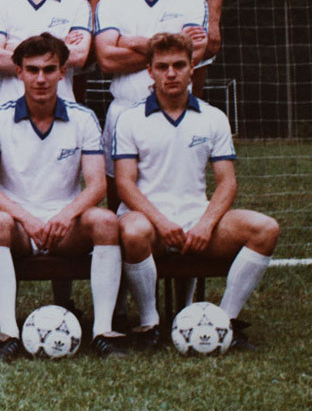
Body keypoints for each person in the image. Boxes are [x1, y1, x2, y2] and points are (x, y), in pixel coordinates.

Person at [114, 32, 279, 349]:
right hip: (150, 223)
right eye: (162, 66)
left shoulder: (213, 117)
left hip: (195, 219)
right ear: (150, 71)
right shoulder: (129, 119)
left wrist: (205, 223)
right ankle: (150, 325)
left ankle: (225, 323)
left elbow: (227, 182)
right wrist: (162, 223)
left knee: (265, 229)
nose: (171, 73)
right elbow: (124, 184)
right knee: (133, 231)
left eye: (179, 65)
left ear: (192, 68)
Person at [0, 33, 126, 359]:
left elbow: (97, 185)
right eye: (32, 70)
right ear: (19, 72)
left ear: (62, 72)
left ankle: (103, 331)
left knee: (105, 220)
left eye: (49, 69)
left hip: (64, 227)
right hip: (18, 225)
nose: (41, 78)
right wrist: (26, 218)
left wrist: (66, 215)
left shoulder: (83, 118)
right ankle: (7, 333)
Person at [95, 0, 208, 204]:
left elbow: (194, 55)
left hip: (175, 114)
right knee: (118, 203)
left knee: (181, 199)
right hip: (123, 111)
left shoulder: (193, 3)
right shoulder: (111, 3)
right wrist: (170, 46)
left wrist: (131, 42)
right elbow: (106, 59)